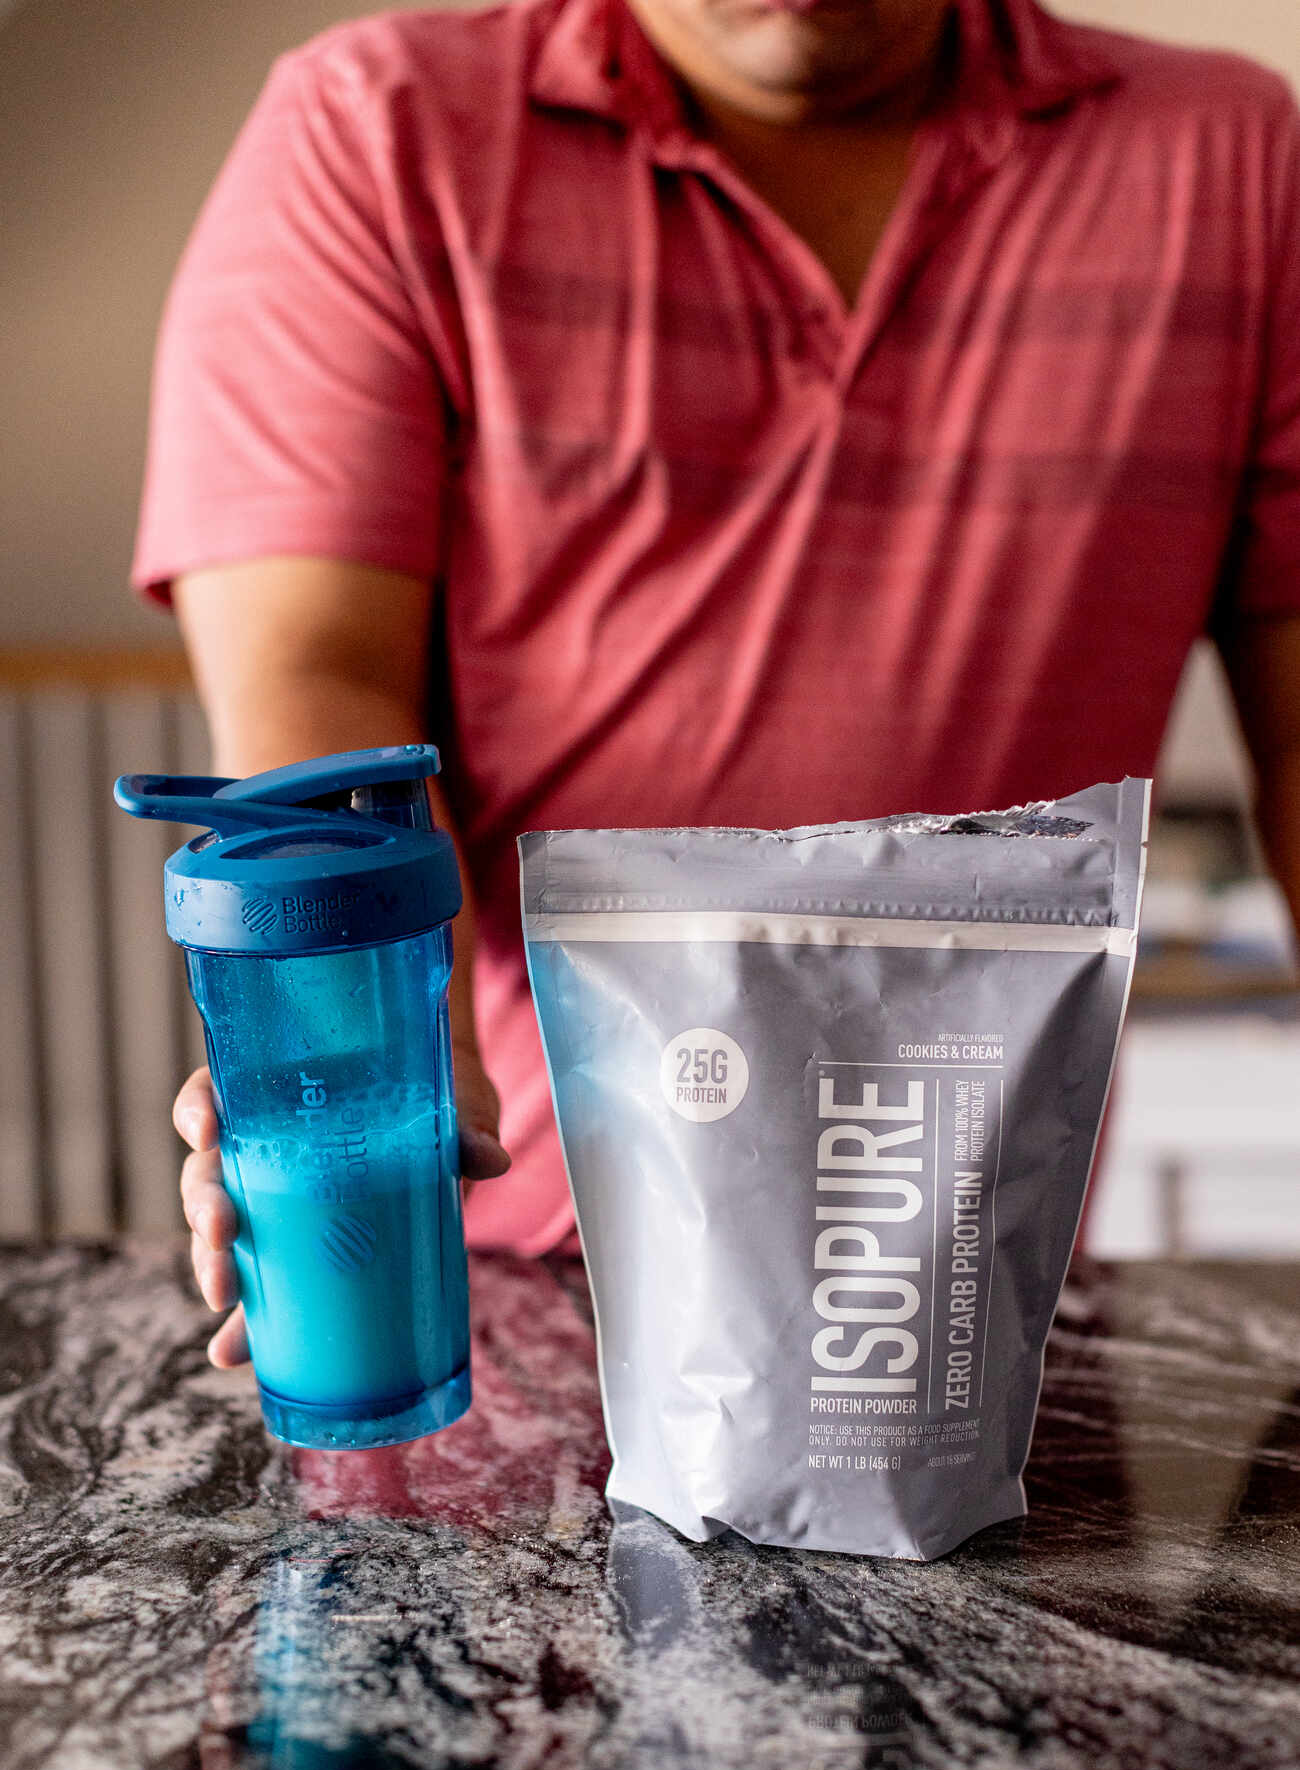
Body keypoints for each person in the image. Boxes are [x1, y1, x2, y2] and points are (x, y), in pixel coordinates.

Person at [133, 0, 1300, 1368]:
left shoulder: (1232, 162)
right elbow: (316, 682)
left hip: (979, 1296)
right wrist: (365, 1069)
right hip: (530, 1278)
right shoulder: (375, 135)